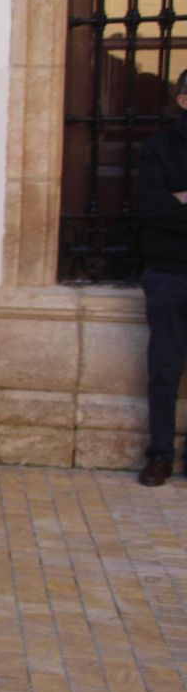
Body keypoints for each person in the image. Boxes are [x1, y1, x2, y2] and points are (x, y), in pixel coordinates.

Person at [137, 70, 187, 486]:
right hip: (168, 272)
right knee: (164, 369)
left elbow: (170, 208)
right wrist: (172, 204)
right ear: (184, 100)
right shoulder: (160, 148)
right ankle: (160, 454)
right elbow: (153, 208)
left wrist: (181, 199)